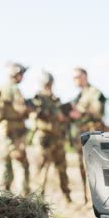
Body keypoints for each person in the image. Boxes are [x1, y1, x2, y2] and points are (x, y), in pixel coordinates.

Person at [69, 67, 109, 203]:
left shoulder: (94, 93)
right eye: (73, 77)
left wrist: (82, 113)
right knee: (82, 167)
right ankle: (87, 198)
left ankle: (99, 199)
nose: (74, 80)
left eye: (77, 77)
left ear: (84, 76)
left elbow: (99, 112)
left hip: (93, 137)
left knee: (96, 168)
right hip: (81, 137)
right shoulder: (79, 96)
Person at [31, 71, 72, 203]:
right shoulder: (38, 98)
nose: (49, 86)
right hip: (45, 138)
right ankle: (38, 200)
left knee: (62, 169)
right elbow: (37, 113)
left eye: (50, 83)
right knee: (42, 170)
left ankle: (67, 197)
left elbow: (63, 118)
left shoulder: (56, 99)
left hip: (58, 138)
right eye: (46, 83)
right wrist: (55, 114)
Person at [0, 62, 32, 195]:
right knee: (22, 164)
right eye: (22, 74)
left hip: (2, 131)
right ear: (17, 74)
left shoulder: (1, 88)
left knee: (6, 164)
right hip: (15, 132)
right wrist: (31, 109)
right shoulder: (14, 89)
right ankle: (24, 197)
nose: (23, 77)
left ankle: (3, 194)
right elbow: (21, 109)